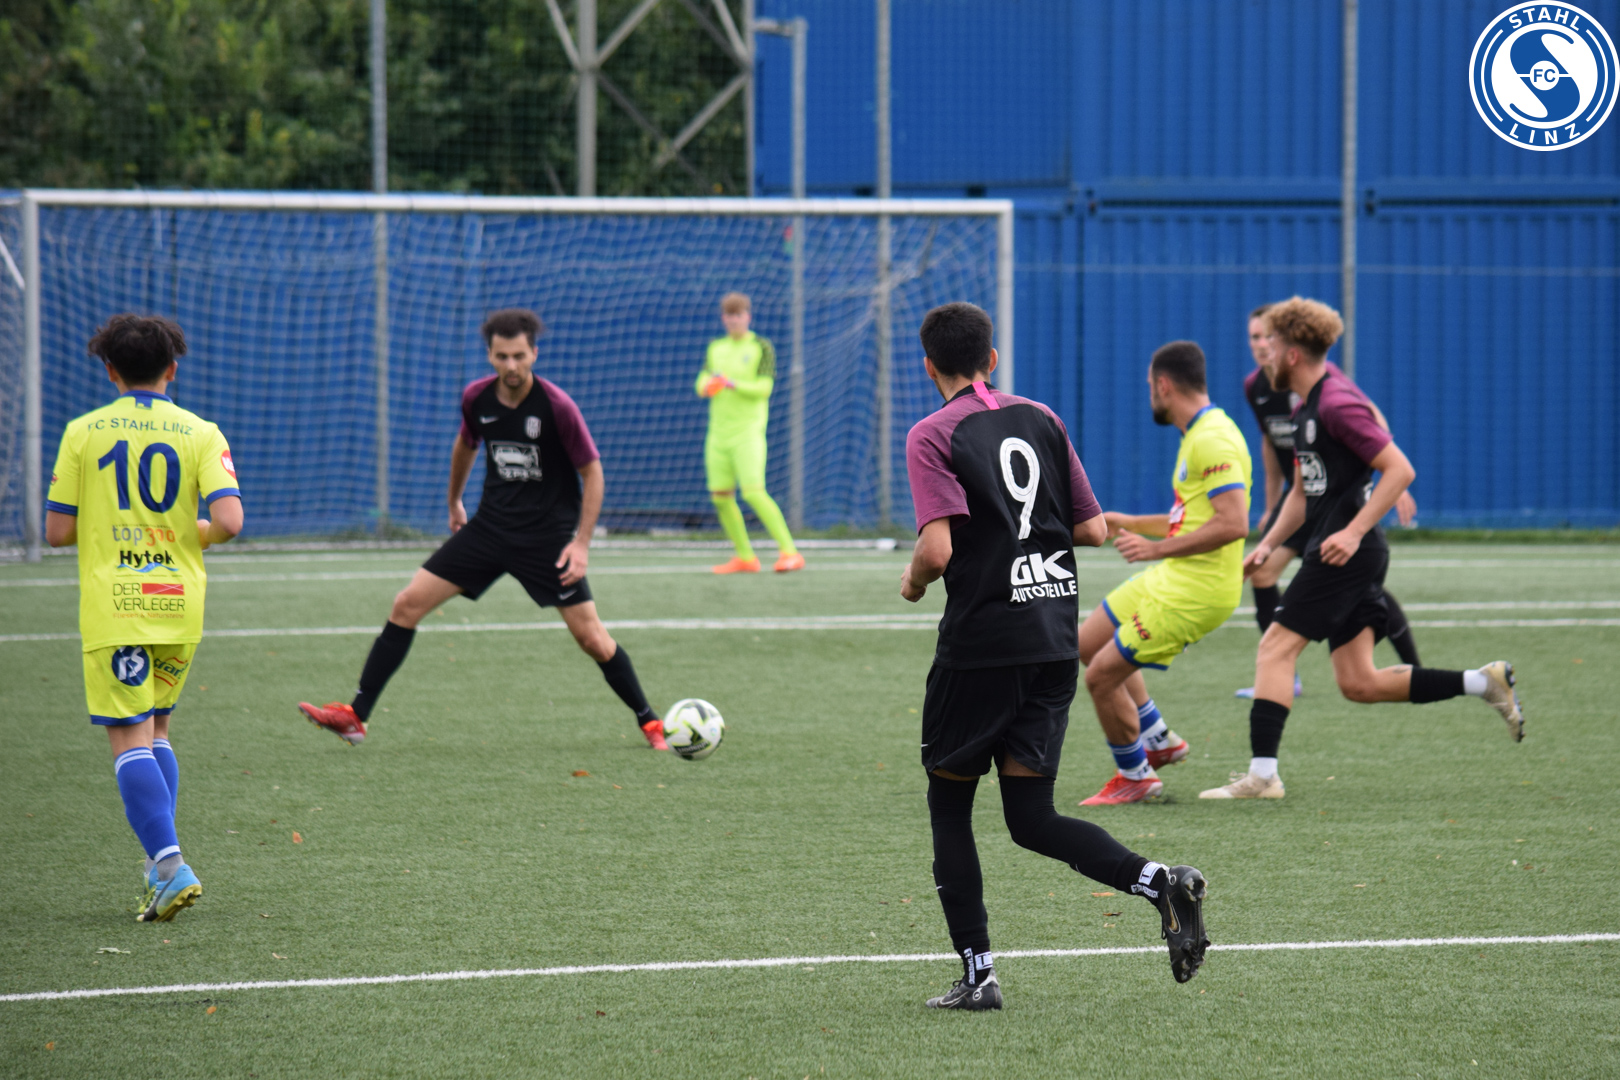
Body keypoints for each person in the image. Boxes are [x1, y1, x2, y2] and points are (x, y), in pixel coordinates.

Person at [900, 302, 1208, 1010]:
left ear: (929, 366)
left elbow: (936, 551)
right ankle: (1161, 882)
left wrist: (913, 582)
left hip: (982, 645)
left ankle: (979, 976)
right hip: (1051, 640)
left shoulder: (931, 434)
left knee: (950, 807)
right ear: (992, 360)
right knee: (1030, 818)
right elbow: (1092, 529)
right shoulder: (1042, 417)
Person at [298, 309, 668, 751]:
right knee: (406, 604)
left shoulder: (557, 407)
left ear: (534, 353)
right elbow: (465, 444)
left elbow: (593, 473)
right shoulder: (477, 398)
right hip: (489, 530)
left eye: (519, 356)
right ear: (490, 355)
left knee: (592, 638)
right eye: (501, 356)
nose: (511, 365)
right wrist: (454, 500)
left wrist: (582, 543)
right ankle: (356, 717)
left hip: (547, 539)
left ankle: (650, 722)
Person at [1201, 297, 1523, 800]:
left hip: (1346, 552)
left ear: (1292, 354)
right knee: (1359, 683)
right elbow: (1303, 490)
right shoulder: (1305, 406)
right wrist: (1268, 544)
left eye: (1273, 346)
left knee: (1275, 648)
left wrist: (1352, 531)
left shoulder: (1336, 403)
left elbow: (1400, 469)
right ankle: (1484, 683)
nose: (1265, 356)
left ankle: (1262, 777)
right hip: (1345, 549)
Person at [46, 314, 244, 922]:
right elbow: (230, 521)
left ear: (110, 371)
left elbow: (57, 532)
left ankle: (170, 863)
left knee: (128, 736)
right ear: (172, 369)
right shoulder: (201, 431)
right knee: (157, 730)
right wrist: (194, 533)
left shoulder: (83, 432)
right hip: (178, 601)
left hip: (118, 606)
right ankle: (159, 865)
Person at [1076, 342, 1253, 806]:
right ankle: (1158, 740)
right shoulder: (1199, 432)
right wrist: (1133, 523)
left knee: (1100, 678)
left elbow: (1234, 524)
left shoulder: (1212, 438)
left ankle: (1136, 776)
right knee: (1086, 644)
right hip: (1175, 574)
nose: (1150, 395)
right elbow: (1193, 518)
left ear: (1163, 385)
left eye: (1149, 387)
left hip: (1197, 590)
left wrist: (1154, 549)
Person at [1237, 304, 1422, 699]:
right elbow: (1271, 445)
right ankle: (1284, 675)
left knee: (1361, 580)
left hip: (1334, 499)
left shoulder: (1325, 384)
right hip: (1302, 497)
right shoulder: (1256, 387)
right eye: (1255, 337)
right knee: (1266, 573)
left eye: (1268, 337)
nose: (1262, 345)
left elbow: (1372, 426)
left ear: (1290, 349)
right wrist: (1269, 507)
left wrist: (1390, 476)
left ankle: (1414, 666)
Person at [696, 292, 804, 574]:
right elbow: (702, 381)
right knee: (720, 496)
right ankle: (745, 557)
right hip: (718, 436)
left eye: (739, 315)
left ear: (748, 316)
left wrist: (732, 383)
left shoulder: (761, 346)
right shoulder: (716, 348)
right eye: (729, 316)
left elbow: (764, 388)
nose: (734, 320)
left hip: (748, 434)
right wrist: (707, 386)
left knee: (754, 492)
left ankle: (790, 552)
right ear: (724, 319)